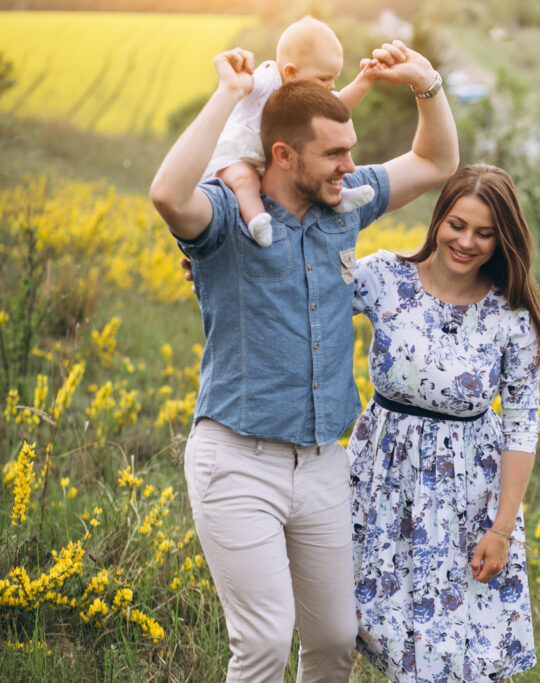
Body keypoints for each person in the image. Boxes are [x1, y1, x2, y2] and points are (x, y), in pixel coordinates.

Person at [149, 36, 457, 682]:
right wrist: (228, 95)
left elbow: (434, 161)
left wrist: (425, 81)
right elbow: (168, 195)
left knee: (334, 638)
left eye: (351, 151)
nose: (352, 164)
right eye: (336, 152)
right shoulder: (229, 218)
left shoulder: (344, 205)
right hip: (237, 459)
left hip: (322, 461)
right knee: (263, 640)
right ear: (284, 155)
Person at [347, 164, 540, 681]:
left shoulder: (511, 315)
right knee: (350, 628)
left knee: (446, 655)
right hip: (377, 485)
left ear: (503, 240)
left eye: (485, 233)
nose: (467, 242)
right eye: (457, 225)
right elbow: (297, 298)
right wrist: (212, 260)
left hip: (464, 501)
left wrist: (502, 529)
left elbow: (522, 422)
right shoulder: (384, 276)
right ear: (438, 218)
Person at [204, 16, 378, 246]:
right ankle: (256, 220)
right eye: (325, 78)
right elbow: (246, 86)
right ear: (291, 72)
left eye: (334, 78)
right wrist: (237, 82)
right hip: (240, 154)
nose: (332, 86)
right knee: (245, 180)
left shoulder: (311, 94)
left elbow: (342, 103)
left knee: (322, 165)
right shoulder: (268, 79)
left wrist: (365, 79)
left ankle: (340, 198)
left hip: (273, 158)